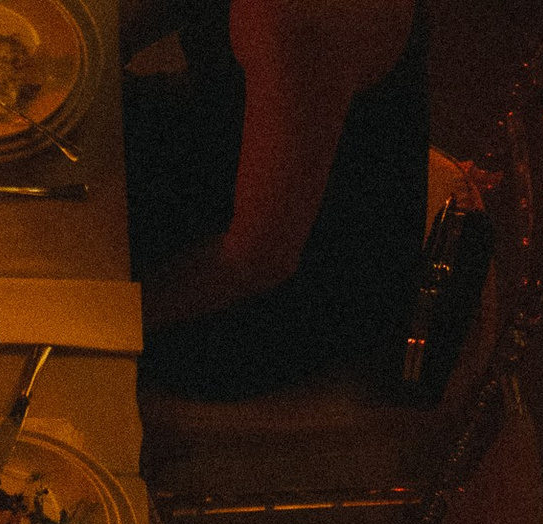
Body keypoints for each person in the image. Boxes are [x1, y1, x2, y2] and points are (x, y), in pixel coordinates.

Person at [121, 0, 430, 401]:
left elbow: (257, 261)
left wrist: (106, 316)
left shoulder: (296, 13)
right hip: (236, 153)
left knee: (69, 273)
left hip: (312, 282)